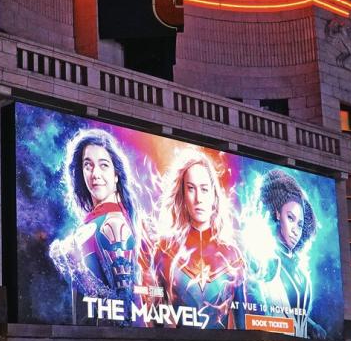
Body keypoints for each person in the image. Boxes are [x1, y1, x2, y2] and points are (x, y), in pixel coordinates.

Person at [47, 129, 143, 321]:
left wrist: (76, 269)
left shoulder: (114, 224)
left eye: (104, 165)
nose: (95, 174)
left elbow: (124, 309)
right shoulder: (92, 223)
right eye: (88, 165)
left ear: (116, 175)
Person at [152, 152, 247, 330]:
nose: (198, 199)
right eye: (191, 188)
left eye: (204, 189)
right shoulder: (165, 249)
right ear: (182, 194)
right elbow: (156, 320)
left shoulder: (232, 256)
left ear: (213, 194)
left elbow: (242, 325)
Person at [247, 168, 323, 339]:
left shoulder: (300, 270)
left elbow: (293, 311)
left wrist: (311, 326)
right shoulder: (266, 259)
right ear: (277, 215)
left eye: (300, 224)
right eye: (290, 218)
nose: (295, 230)